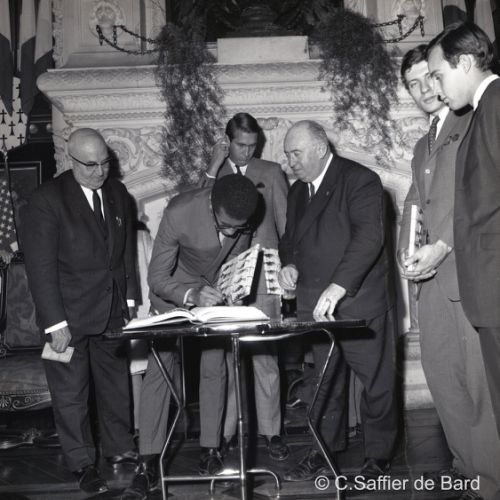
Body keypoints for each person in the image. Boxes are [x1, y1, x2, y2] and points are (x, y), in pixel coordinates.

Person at [399, 44, 500, 500]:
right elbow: (415, 203)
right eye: (412, 85)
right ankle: (467, 472)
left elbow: (479, 197)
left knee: (480, 389)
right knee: (443, 380)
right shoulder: (422, 144)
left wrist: (440, 244)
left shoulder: (474, 119)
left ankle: (491, 482)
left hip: (469, 274)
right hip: (433, 284)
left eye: (429, 77)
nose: (424, 89)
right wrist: (407, 251)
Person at [121, 174, 259, 500]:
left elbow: (236, 258)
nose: (231, 233)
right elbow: (157, 277)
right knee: (160, 369)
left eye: (237, 228)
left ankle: (210, 449)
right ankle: (148, 461)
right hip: (175, 291)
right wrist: (191, 295)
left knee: (215, 365)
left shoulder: (245, 213)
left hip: (214, 295)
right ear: (212, 206)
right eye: (225, 226)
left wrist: (232, 290)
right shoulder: (179, 211)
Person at [21, 128, 139, 494]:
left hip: (111, 311)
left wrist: (129, 303)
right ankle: (82, 463)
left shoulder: (118, 193)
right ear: (71, 161)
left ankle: (120, 449)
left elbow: (125, 255)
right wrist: (54, 323)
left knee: (115, 386)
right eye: (90, 165)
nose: (99, 171)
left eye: (105, 163)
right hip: (66, 319)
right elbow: (39, 268)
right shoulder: (46, 199)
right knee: (70, 395)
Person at [278, 120, 397, 481]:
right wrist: (289, 264)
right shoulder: (297, 191)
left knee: (377, 384)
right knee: (325, 382)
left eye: (296, 154)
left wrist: (339, 285)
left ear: (320, 148)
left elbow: (369, 239)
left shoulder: (360, 180)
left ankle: (378, 457)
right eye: (287, 155)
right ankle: (322, 452)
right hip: (317, 306)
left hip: (359, 300)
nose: (290, 163)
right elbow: (290, 238)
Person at [198, 112, 289, 460]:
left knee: (266, 358)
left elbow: (286, 226)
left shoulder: (272, 173)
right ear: (227, 142)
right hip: (224, 280)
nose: (247, 152)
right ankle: (225, 433)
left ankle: (272, 433)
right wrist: (213, 166)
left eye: (252, 145)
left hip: (265, 277)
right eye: (240, 145)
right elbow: (197, 213)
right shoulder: (215, 173)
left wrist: (286, 274)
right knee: (227, 357)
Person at [428, 21, 500, 442]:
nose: (436, 90)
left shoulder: (496, 103)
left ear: (467, 62)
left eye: (439, 76)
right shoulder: (483, 109)